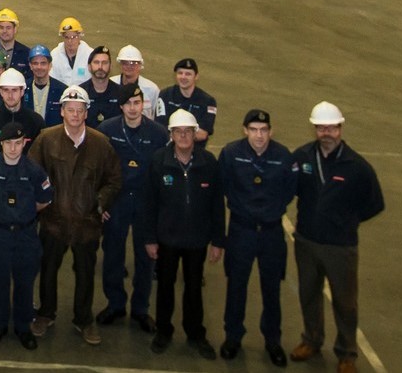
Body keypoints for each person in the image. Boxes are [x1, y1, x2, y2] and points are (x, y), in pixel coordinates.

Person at [290, 102, 384, 373]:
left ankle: (347, 353)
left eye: (331, 127)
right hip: (307, 241)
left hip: (340, 247)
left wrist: (347, 223)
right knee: (308, 294)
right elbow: (288, 185)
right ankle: (312, 340)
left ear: (340, 128)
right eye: (321, 128)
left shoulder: (357, 167)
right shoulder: (303, 157)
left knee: (345, 301)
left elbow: (375, 204)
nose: (326, 133)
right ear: (315, 129)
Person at [30, 86, 121, 344]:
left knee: (85, 272)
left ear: (86, 113)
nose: (75, 114)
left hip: (86, 224)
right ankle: (45, 314)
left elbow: (114, 180)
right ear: (61, 111)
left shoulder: (100, 144)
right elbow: (33, 175)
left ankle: (83, 319)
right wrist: (42, 206)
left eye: (80, 110)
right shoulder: (46, 140)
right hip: (53, 221)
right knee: (47, 270)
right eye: (70, 109)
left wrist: (101, 204)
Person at [220, 108, 298, 365]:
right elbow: (224, 186)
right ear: (245, 131)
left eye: (264, 130)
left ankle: (272, 340)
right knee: (236, 285)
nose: (259, 136)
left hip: (271, 233)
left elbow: (289, 191)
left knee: (272, 288)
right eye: (253, 130)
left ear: (271, 131)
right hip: (241, 230)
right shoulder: (232, 154)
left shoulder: (283, 156)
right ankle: (233, 336)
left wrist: (268, 211)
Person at [144, 110, 224, 358]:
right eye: (178, 132)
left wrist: (218, 240)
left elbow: (216, 204)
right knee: (165, 287)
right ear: (171, 135)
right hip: (167, 238)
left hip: (196, 239)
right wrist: (150, 238)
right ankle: (164, 331)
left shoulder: (209, 163)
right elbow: (150, 203)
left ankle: (195, 333)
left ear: (195, 134)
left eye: (187, 132)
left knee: (194, 288)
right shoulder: (159, 161)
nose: (183, 136)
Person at [0, 122, 54, 350]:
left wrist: (22, 214)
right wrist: (1, 213)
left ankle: (23, 327)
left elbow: (44, 200)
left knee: (24, 283)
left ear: (24, 144)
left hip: (25, 235)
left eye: (18, 143)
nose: (13, 148)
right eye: (8, 143)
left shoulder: (34, 171)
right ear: (1, 143)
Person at [99, 84, 167, 331]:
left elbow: (163, 172)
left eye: (137, 103)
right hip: (117, 201)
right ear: (121, 106)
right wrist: (102, 201)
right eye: (128, 103)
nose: (133, 108)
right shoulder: (107, 130)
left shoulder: (159, 134)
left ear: (144, 104)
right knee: (113, 254)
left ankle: (141, 309)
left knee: (145, 257)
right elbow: (100, 168)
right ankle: (115, 303)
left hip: (146, 202)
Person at [158, 58, 217, 148]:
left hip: (195, 153)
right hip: (168, 151)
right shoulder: (165, 95)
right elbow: (160, 128)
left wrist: (176, 134)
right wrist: (188, 133)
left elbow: (203, 134)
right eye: (180, 73)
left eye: (188, 74)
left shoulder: (208, 101)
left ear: (196, 76)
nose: (183, 77)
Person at [0, 68, 46, 141]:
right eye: (6, 90)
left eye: (14, 90)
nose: (10, 95)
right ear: (1, 92)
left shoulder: (36, 121)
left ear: (22, 92)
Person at [77, 47, 124, 127]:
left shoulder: (121, 92)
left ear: (111, 66)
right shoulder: (80, 92)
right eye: (96, 62)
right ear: (89, 66)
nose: (100, 67)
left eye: (105, 63)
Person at [115, 46, 163, 116]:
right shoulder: (110, 84)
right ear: (120, 64)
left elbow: (158, 116)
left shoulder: (152, 89)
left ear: (141, 65)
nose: (129, 66)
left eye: (134, 63)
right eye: (125, 63)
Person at [23, 46, 68, 120]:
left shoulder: (62, 90)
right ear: (30, 66)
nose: (39, 67)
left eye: (43, 63)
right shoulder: (23, 88)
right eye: (35, 63)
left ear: (50, 65)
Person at [48, 18, 93, 87]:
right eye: (66, 37)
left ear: (79, 36)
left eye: (73, 37)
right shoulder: (54, 55)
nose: (70, 41)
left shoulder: (90, 55)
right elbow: (51, 80)